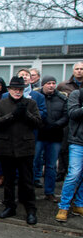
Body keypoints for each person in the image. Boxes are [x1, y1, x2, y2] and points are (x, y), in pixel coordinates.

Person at [0, 76, 42, 225]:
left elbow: (38, 123)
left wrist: (25, 114)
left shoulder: (30, 103)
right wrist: (12, 115)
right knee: (9, 180)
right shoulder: (1, 104)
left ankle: (31, 210)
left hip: (25, 148)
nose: (17, 92)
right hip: (6, 148)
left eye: (20, 89)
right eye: (14, 89)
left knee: (27, 181)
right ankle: (10, 206)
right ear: (9, 90)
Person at [34, 75, 68, 203]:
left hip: (55, 137)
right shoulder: (37, 97)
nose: (51, 85)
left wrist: (55, 125)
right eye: (48, 83)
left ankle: (49, 192)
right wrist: (43, 125)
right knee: (34, 162)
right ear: (43, 84)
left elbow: (66, 116)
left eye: (53, 83)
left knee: (51, 166)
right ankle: (29, 189)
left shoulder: (62, 98)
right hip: (39, 136)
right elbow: (34, 113)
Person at [55, 87, 83, 222]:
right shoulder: (77, 94)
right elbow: (72, 113)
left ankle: (79, 204)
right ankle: (64, 206)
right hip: (78, 142)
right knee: (73, 174)